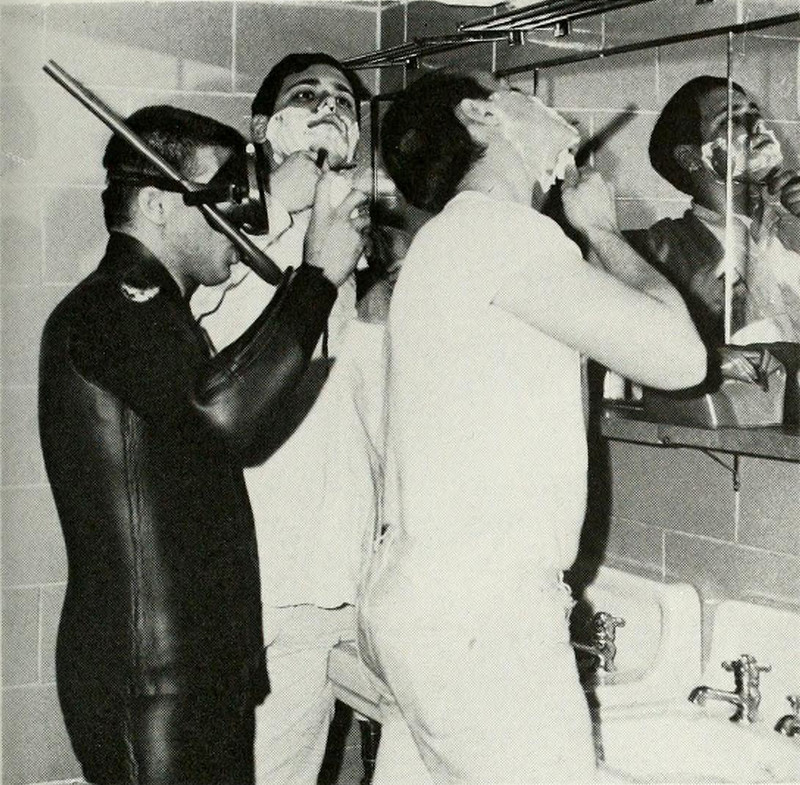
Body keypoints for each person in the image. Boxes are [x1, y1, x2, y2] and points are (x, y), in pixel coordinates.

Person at [357, 70, 707, 784]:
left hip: (420, 600)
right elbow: (680, 358)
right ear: (481, 116)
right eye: (519, 95)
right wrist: (601, 229)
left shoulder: (447, 242)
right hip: (485, 617)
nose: (550, 109)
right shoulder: (501, 233)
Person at [38, 105, 368, 785]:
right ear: (158, 205)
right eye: (225, 196)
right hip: (152, 681)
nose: (242, 217)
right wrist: (316, 278)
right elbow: (226, 417)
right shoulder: (113, 309)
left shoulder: (155, 314)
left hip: (183, 674)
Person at [190, 53, 406, 785]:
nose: (329, 107)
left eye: (343, 99)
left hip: (329, 577)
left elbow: (367, 415)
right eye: (306, 95)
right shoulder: (215, 243)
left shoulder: (353, 254)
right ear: (262, 126)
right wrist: (276, 201)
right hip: (239, 576)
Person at [644, 75, 800, 345]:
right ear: (690, 157)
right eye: (731, 120)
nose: (757, 125)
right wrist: (697, 314)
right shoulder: (665, 247)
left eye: (755, 114)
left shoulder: (790, 223)